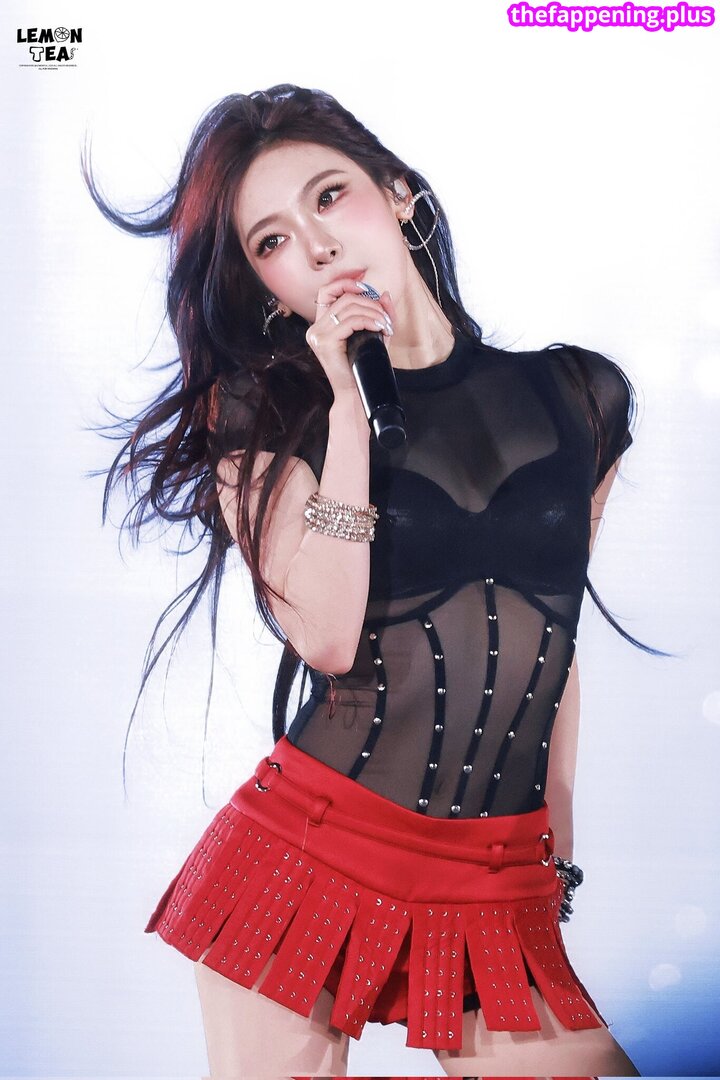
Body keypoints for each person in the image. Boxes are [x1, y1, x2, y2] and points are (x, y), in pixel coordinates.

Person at [82, 84, 663, 1077]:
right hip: (306, 857)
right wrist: (349, 409)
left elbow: (550, 639)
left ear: (396, 192)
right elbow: (326, 638)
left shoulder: (580, 394)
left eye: (329, 196)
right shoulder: (260, 415)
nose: (315, 245)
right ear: (270, 289)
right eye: (272, 241)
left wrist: (554, 850)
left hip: (493, 877)